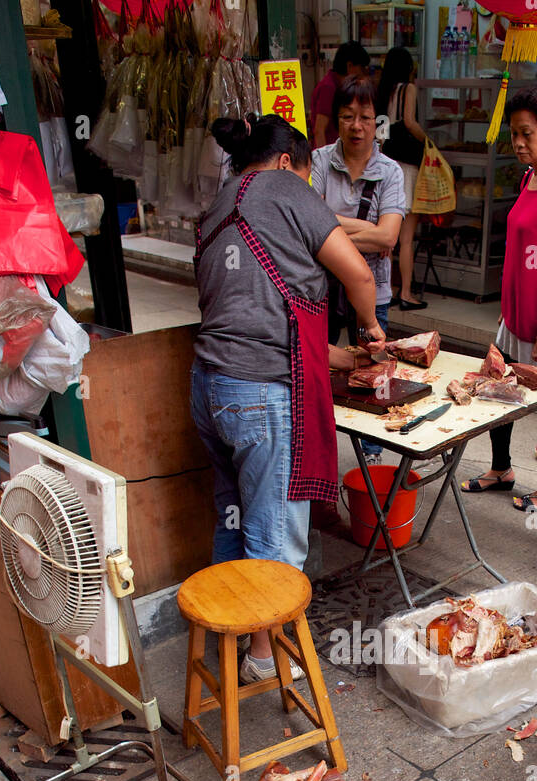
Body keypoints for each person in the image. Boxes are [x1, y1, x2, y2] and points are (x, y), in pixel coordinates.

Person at [191, 115, 384, 682]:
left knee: (235, 518)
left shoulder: (217, 203)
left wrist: (337, 357)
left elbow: (246, 311)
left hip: (209, 387)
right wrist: (370, 331)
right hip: (258, 396)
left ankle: (227, 640)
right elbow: (360, 276)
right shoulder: (284, 189)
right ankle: (259, 658)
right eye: (306, 176)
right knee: (275, 536)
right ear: (286, 163)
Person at [460, 82, 537, 512]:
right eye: (513, 134)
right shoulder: (530, 175)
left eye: (526, 133)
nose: (517, 143)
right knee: (499, 389)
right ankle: (502, 470)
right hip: (513, 315)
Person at [312, 76, 404, 459]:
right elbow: (306, 223)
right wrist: (367, 227)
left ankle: (372, 453)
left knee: (374, 367)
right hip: (320, 288)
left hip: (373, 289)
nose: (356, 126)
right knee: (320, 364)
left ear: (376, 121)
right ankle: (321, 445)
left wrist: (327, 228)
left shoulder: (391, 171)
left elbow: (388, 238)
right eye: (348, 116)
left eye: (365, 117)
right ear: (337, 118)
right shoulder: (318, 160)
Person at [377, 46, 428, 311]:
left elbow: (381, 133)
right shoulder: (409, 88)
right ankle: (407, 292)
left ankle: (388, 290)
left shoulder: (383, 89)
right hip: (408, 165)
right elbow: (409, 121)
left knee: (389, 236)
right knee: (406, 236)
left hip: (386, 163)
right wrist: (428, 141)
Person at [310, 41, 370, 150]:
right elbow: (319, 130)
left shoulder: (339, 86)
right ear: (350, 66)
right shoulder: (328, 88)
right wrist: (324, 162)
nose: (364, 74)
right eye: (362, 68)